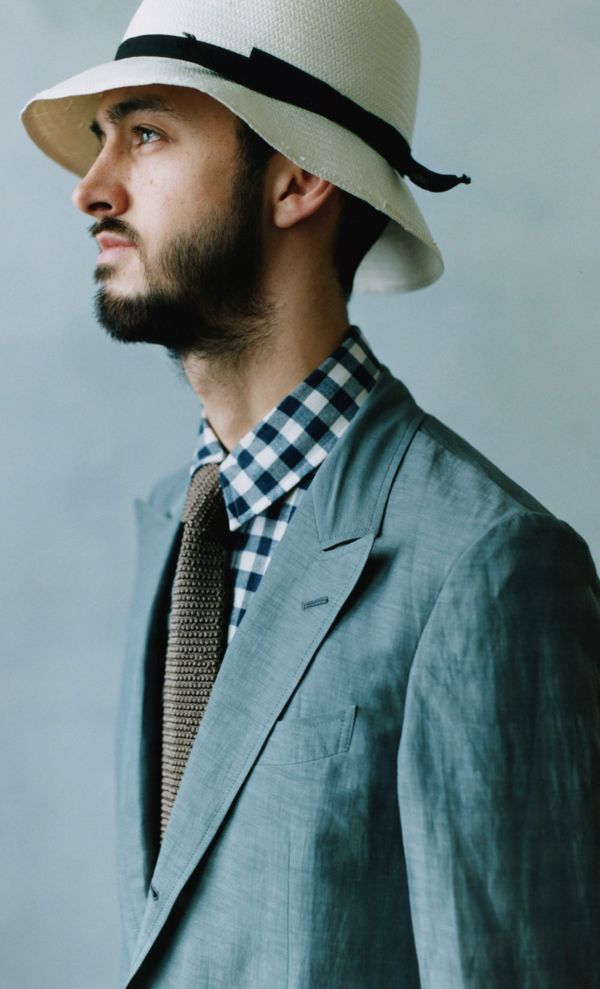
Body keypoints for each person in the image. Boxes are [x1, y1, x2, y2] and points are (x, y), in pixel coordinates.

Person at [21, 0, 600, 986]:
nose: (92, 188)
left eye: (147, 134)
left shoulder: (485, 567)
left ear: (297, 176)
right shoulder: (175, 523)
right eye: (102, 138)